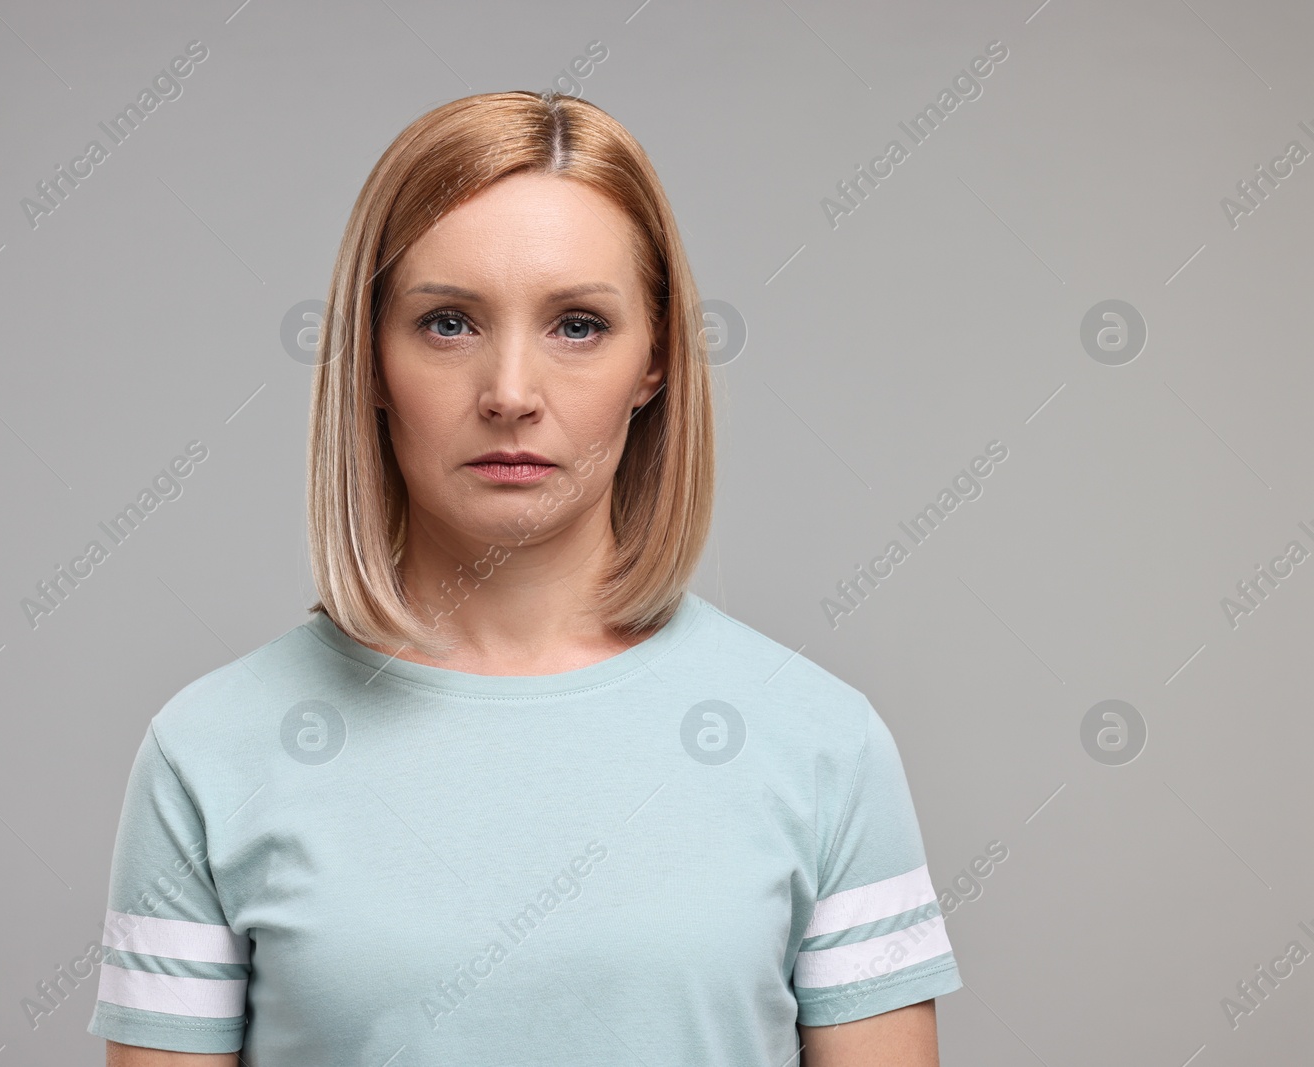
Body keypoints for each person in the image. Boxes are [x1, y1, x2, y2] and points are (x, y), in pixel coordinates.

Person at [88, 90, 961, 1066]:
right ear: (371, 357)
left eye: (577, 324)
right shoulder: (207, 754)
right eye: (449, 322)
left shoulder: (822, 747)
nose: (510, 392)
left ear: (657, 359)